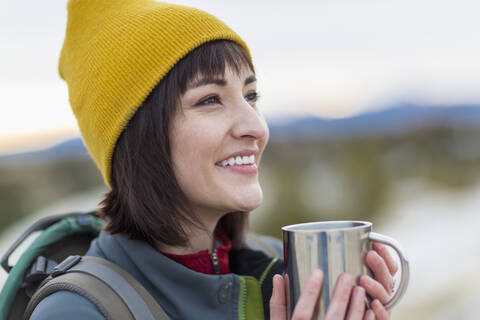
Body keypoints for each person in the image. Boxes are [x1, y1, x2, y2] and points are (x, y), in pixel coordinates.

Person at [30, 0, 397, 319]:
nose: (255, 126)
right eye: (210, 100)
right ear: (140, 137)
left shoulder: (283, 271)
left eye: (251, 95)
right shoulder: (77, 311)